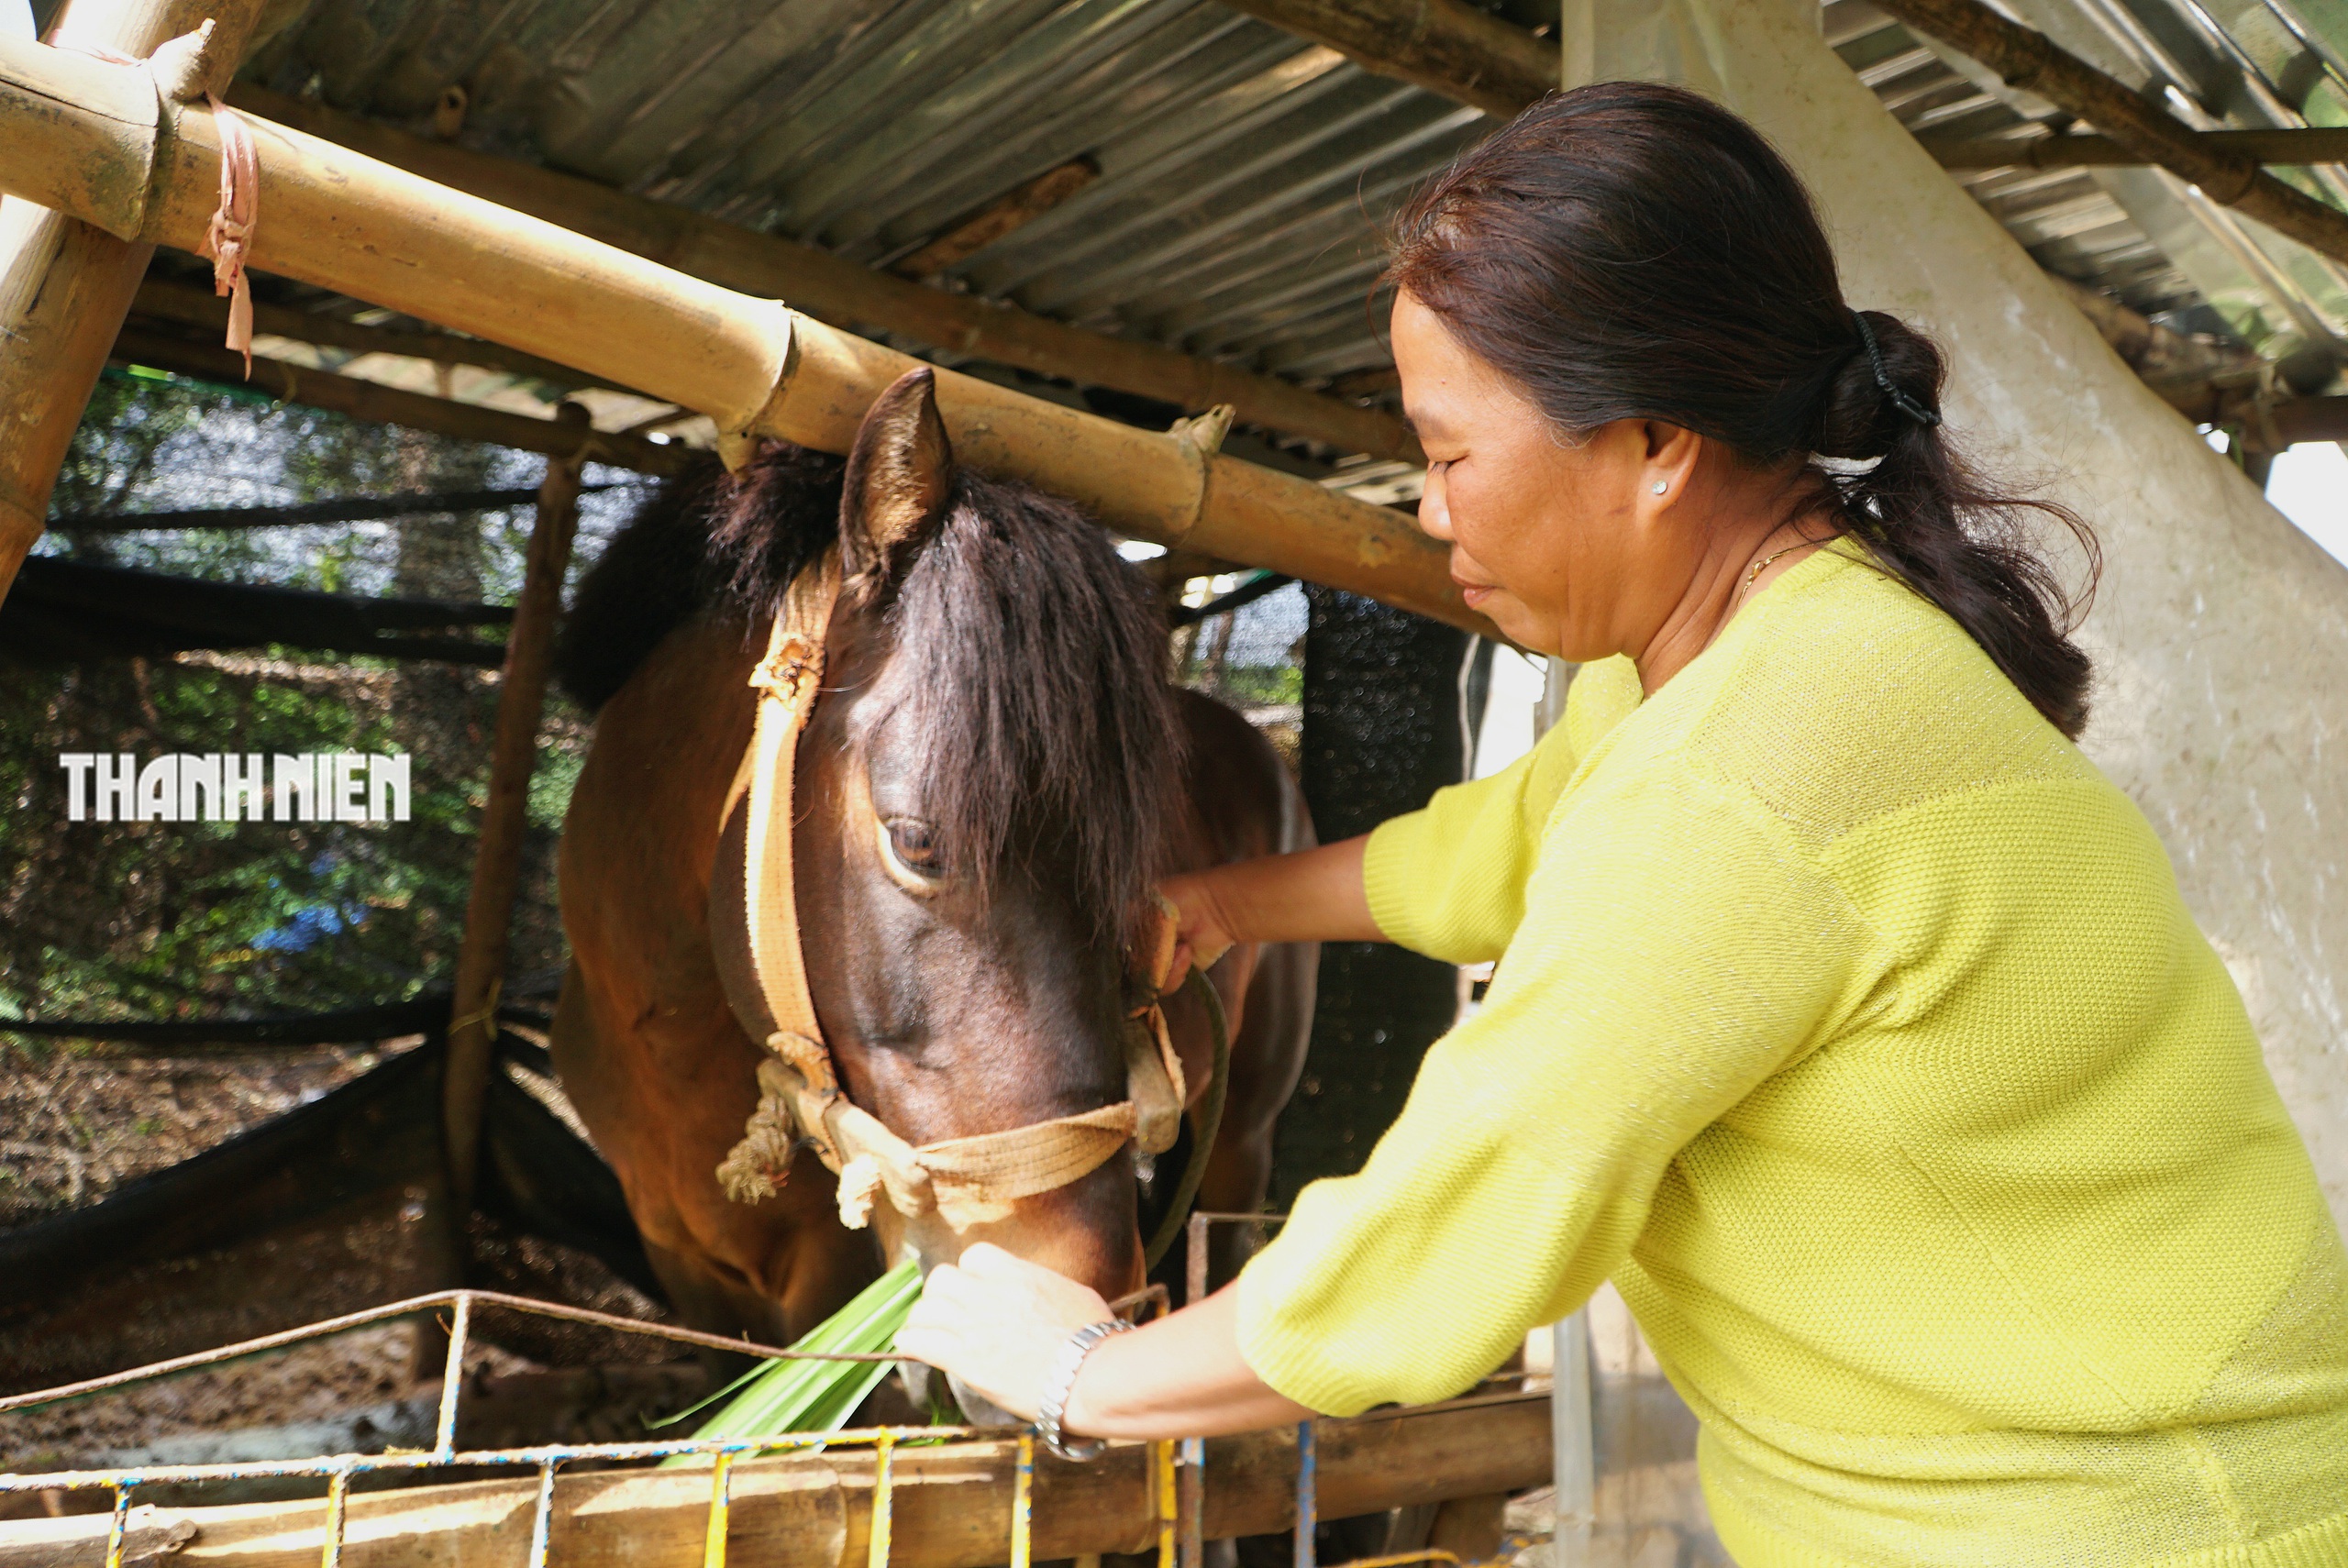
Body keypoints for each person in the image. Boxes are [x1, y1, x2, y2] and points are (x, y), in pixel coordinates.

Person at [897, 82, 2348, 1562]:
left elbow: (1488, 1188)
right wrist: (1232, 901)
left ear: (1657, 442)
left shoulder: (1757, 764)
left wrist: (1083, 1368)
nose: (1428, 502)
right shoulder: (1765, 641)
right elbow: (1524, 839)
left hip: (2130, 1525)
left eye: (1452, 452)